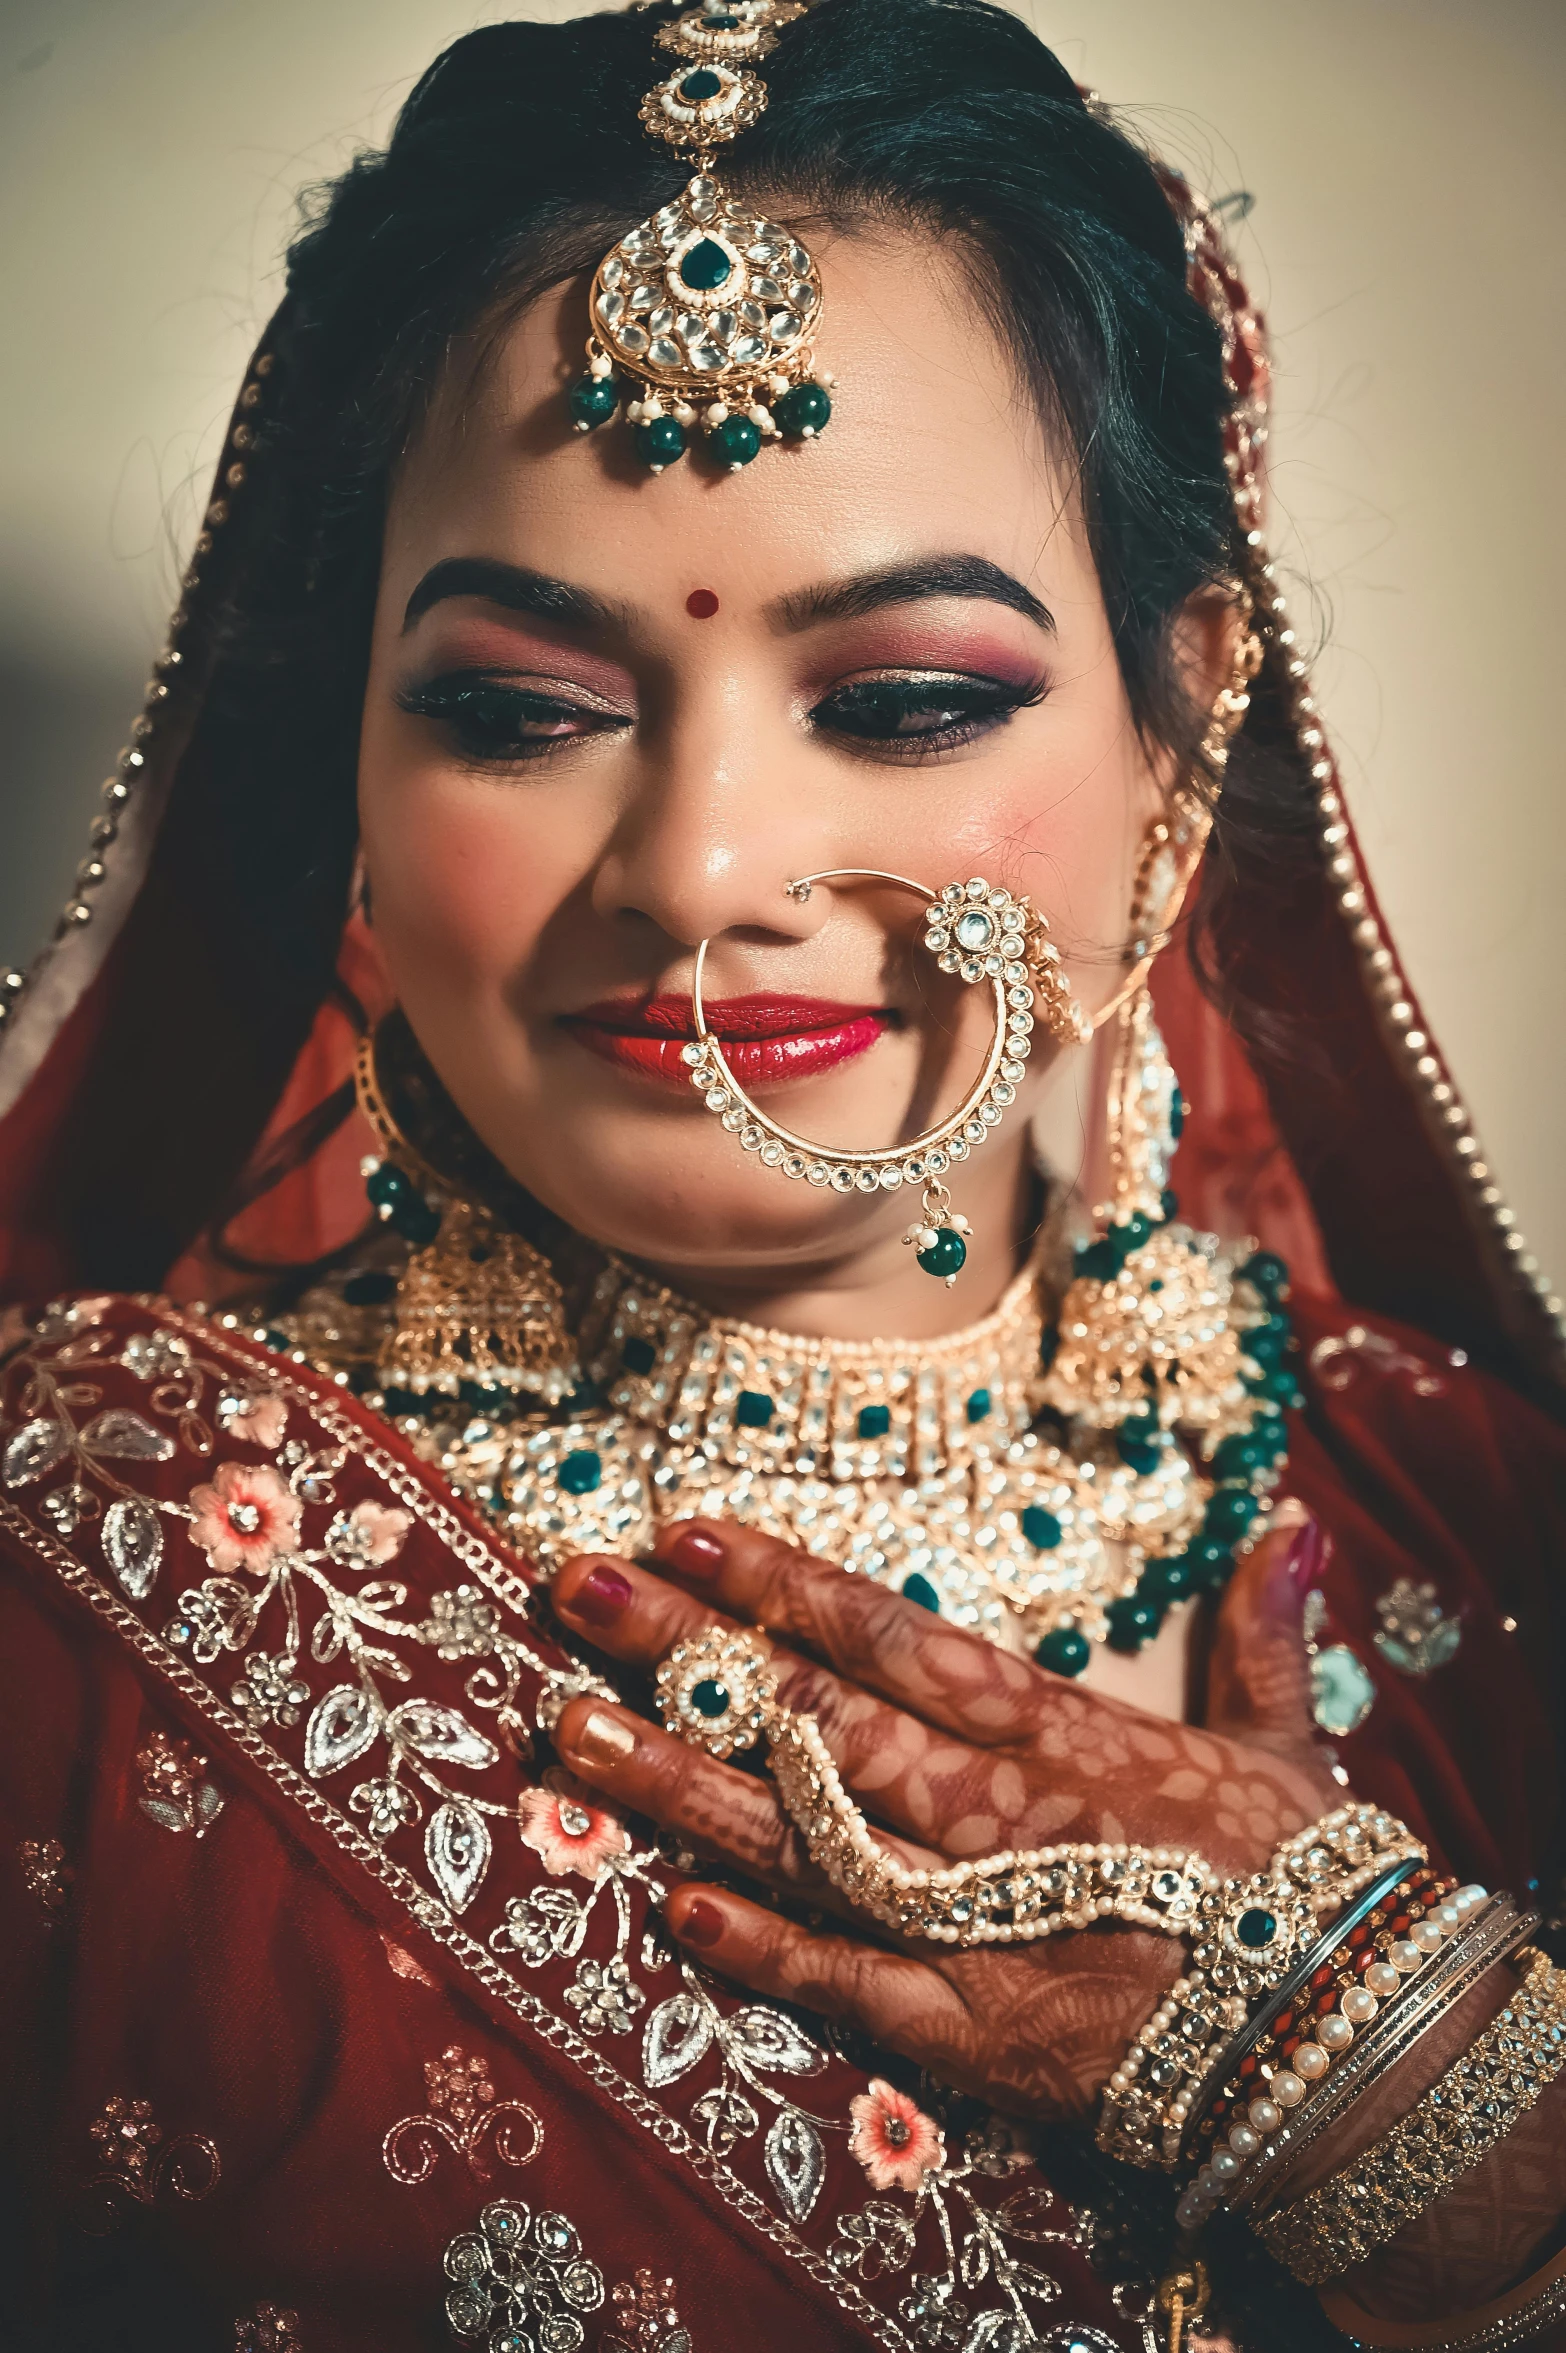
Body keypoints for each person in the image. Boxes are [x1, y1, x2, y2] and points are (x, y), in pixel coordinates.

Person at [0, 2, 1562, 2347]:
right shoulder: (75, 1582)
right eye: (521, 709)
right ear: (344, 763)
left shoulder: (1479, 1528)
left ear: (1179, 729)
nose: (703, 867)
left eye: (910, 697)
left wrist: (1470, 2144)